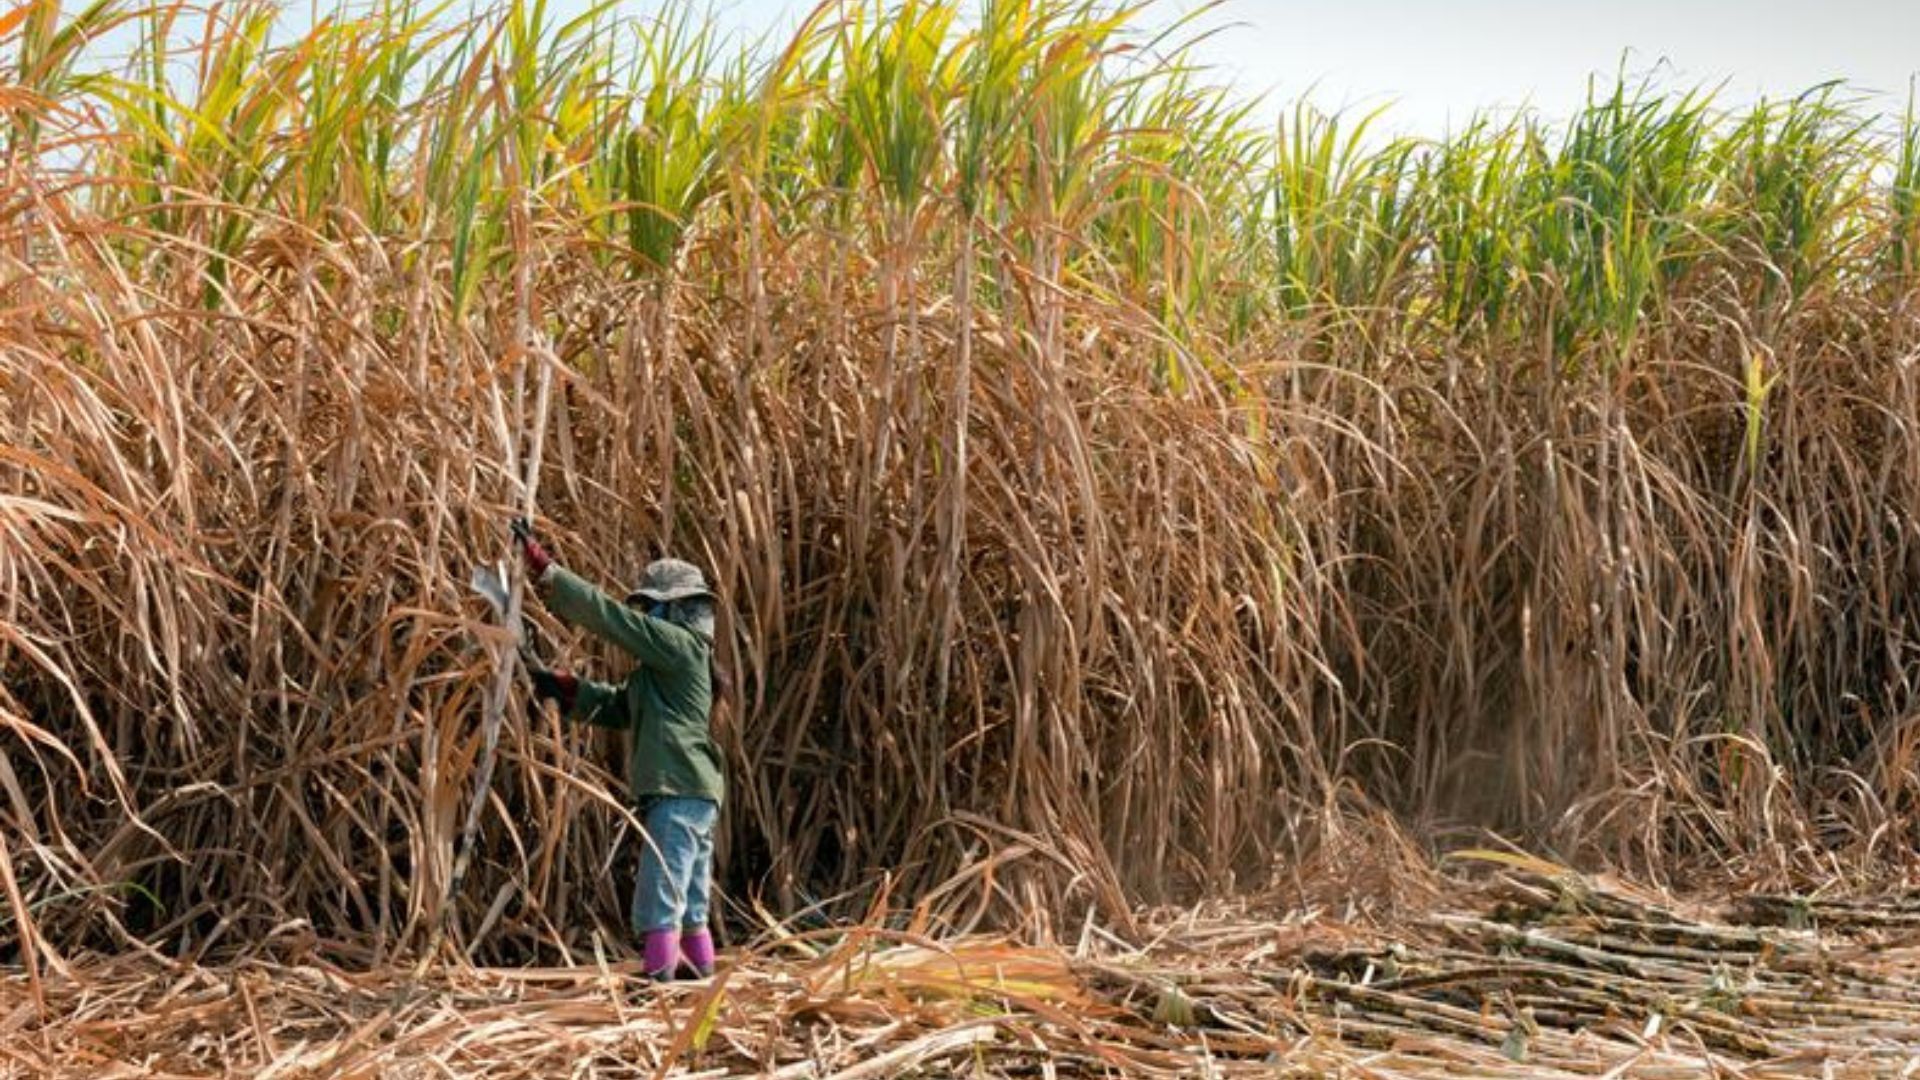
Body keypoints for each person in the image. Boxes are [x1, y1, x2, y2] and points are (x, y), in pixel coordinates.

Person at [512, 518, 725, 981]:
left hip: (679, 787)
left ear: (675, 611)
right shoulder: (665, 669)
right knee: (689, 900)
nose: (646, 617)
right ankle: (700, 980)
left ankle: (658, 988)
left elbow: (612, 619)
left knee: (661, 894)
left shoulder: (681, 647)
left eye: (652, 608)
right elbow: (618, 707)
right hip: (693, 789)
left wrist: (546, 571)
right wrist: (565, 689)